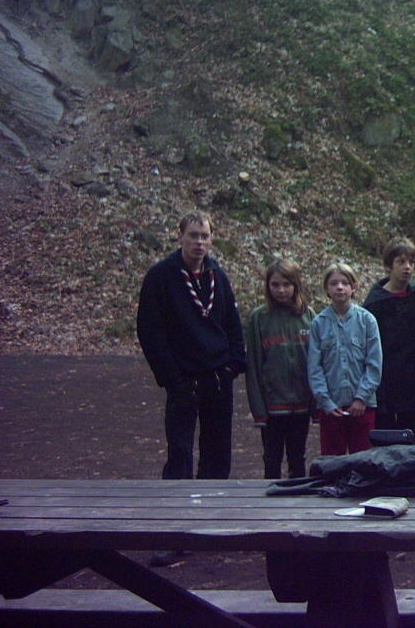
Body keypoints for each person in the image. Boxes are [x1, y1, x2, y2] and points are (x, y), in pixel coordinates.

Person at [136, 212, 245, 567]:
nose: (199, 242)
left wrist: (233, 365)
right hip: (183, 381)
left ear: (212, 239)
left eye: (205, 236)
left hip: (218, 377)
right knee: (180, 456)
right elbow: (150, 331)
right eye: (193, 235)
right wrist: (172, 378)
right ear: (180, 236)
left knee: (217, 455)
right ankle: (174, 532)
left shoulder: (217, 275)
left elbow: (232, 323)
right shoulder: (161, 277)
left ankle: (208, 527)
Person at [245, 258, 316, 479]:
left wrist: (316, 403)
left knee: (298, 457)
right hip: (272, 405)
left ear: (296, 285)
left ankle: (297, 497)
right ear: (268, 286)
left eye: (287, 284)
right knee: (272, 458)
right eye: (275, 285)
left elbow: (316, 362)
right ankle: (269, 498)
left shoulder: (308, 316)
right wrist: (259, 410)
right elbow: (253, 367)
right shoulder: (259, 318)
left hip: (302, 404)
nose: (281, 290)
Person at [307, 262, 383, 455]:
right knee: (333, 462)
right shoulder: (318, 324)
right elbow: (314, 367)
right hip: (332, 408)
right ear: (326, 289)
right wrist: (326, 402)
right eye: (334, 283)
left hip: (363, 407)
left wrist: (361, 398)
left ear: (353, 287)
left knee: (364, 459)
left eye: (345, 283)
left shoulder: (367, 320)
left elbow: (374, 364)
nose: (339, 287)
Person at [363, 237, 415, 442]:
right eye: (401, 262)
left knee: (411, 435)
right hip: (384, 381)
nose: (407, 267)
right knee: (384, 436)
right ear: (388, 266)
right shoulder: (375, 303)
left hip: (411, 382)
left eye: (411, 262)